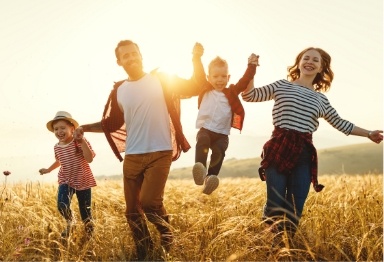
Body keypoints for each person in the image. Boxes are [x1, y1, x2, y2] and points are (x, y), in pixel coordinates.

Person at [74, 40, 206, 260]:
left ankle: (166, 236)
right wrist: (84, 128)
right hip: (133, 156)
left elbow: (195, 86)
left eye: (134, 53)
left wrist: (196, 59)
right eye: (126, 56)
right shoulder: (120, 90)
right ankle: (144, 251)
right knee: (132, 212)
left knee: (150, 203)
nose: (131, 57)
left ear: (141, 55)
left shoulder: (161, 80)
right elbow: (112, 123)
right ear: (119, 61)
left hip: (159, 152)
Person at [241, 48, 383, 242]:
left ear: (321, 67)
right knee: (275, 204)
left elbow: (341, 123)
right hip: (278, 147)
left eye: (315, 60)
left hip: (303, 154)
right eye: (305, 58)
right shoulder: (282, 85)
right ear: (298, 63)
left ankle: (283, 247)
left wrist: (368, 133)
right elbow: (249, 96)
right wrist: (251, 69)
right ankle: (269, 241)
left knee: (295, 205)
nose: (309, 62)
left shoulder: (321, 99)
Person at [192, 54, 258, 195]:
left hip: (222, 133)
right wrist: (196, 57)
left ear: (228, 78)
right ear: (209, 78)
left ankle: (210, 177)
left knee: (219, 152)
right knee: (202, 141)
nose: (219, 80)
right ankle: (200, 169)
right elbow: (199, 73)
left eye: (223, 76)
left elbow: (245, 80)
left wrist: (252, 65)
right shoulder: (206, 87)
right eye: (215, 77)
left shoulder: (232, 92)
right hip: (206, 129)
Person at [39, 111, 97, 239]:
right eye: (56, 129)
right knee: (62, 204)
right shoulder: (57, 147)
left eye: (62, 128)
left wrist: (82, 141)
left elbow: (89, 159)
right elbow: (59, 161)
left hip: (83, 180)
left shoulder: (79, 142)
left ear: (72, 129)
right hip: (66, 180)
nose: (59, 131)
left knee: (85, 212)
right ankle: (71, 222)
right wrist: (48, 170)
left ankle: (90, 237)